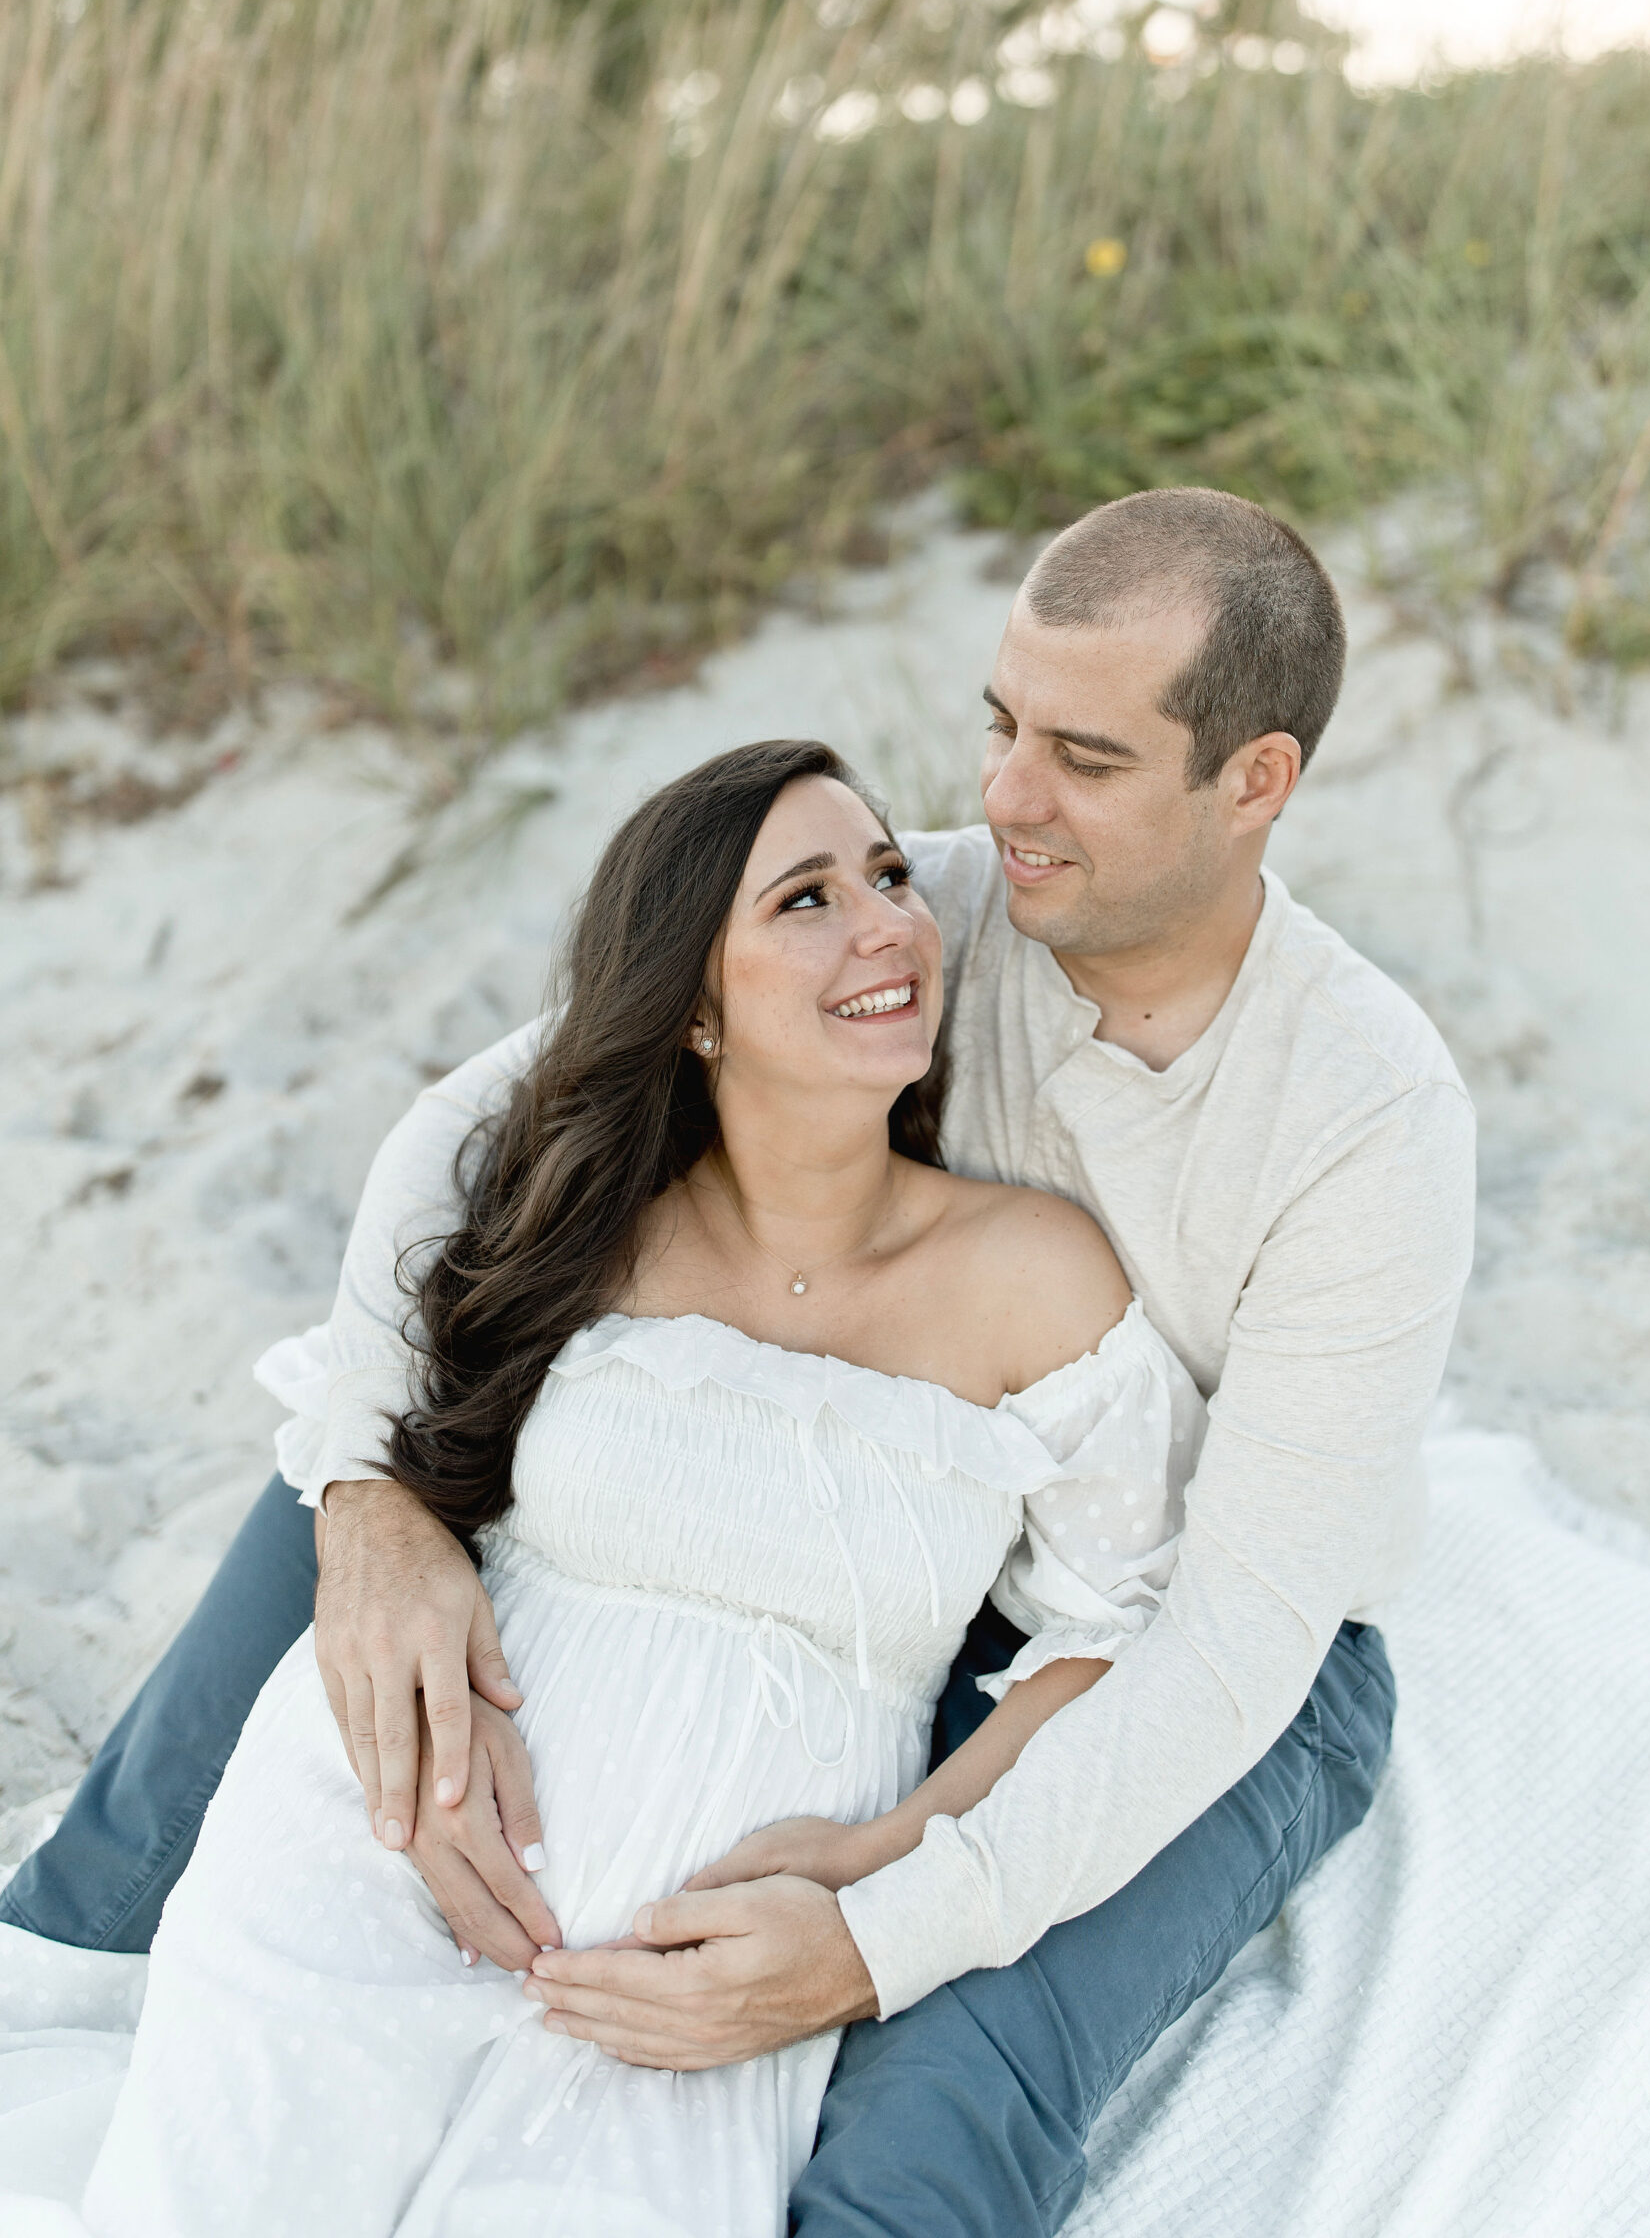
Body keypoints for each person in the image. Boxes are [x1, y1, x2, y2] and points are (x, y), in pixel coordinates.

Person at [2, 488, 1476, 2238]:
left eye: (1084, 757)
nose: (1006, 800)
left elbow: (1226, 1636)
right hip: (864, 1503)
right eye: (1000, 725)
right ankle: (69, 1948)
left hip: (1207, 1634)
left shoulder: (1366, 1115)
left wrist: (879, 1921)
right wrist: (373, 1506)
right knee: (362, 1475)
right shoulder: (943, 905)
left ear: (1256, 782)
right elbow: (473, 1130)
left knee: (939, 2090)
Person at [76, 737, 1202, 2235]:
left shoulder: (1033, 1274)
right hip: (390, 1856)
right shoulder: (590, 1225)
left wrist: (892, 1861)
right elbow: (381, 1379)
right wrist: (376, 1518)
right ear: (695, 1010)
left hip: (699, 1977)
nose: (888, 924)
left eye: (887, 876)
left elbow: (1115, 1641)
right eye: (805, 899)